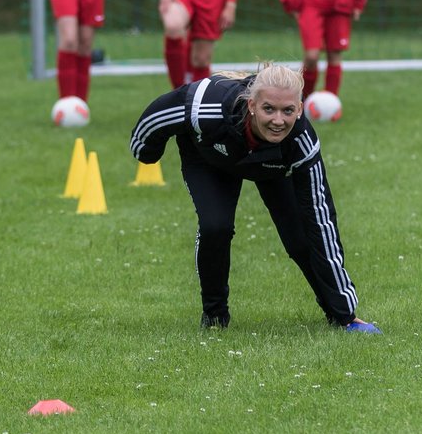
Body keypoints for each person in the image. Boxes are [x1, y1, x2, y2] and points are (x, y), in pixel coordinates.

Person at [130, 62, 380, 333]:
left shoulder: (301, 142)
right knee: (216, 227)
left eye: (288, 111)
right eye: (268, 109)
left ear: (299, 110)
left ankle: (338, 316)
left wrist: (347, 314)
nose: (278, 120)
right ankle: (214, 318)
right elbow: (158, 115)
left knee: (301, 238)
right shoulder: (207, 105)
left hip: (272, 168)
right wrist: (145, 151)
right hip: (210, 158)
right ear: (251, 105)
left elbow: (322, 221)